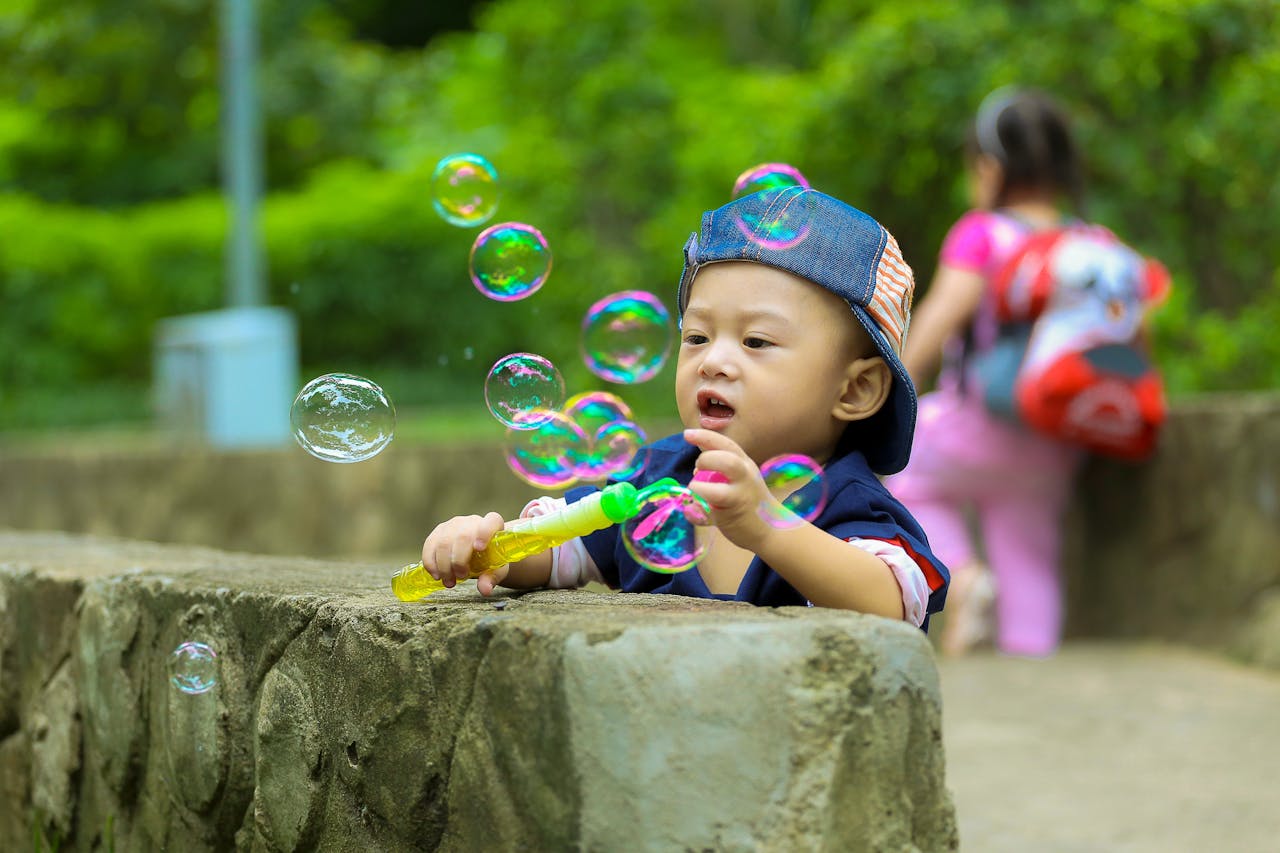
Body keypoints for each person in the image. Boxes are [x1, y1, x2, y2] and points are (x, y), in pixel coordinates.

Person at [421, 187, 950, 629]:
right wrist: (487, 547)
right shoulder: (655, 478)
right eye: (696, 336)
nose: (714, 360)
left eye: (757, 341)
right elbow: (563, 551)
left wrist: (766, 525)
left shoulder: (848, 502)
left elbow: (891, 605)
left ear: (854, 390)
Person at [885, 87, 1087, 656]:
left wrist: (887, 382)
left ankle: (963, 576)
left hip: (975, 429)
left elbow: (937, 322)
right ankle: (1032, 667)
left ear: (991, 166)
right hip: (1055, 442)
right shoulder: (1090, 241)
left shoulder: (983, 233)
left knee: (901, 473)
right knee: (1030, 557)